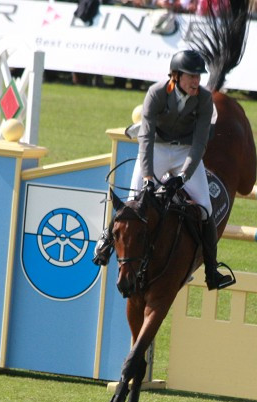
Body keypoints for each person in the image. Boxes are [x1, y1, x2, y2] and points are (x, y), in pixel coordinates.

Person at [93, 50, 234, 291]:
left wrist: (182, 177)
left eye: (199, 76)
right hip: (156, 148)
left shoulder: (203, 98)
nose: (196, 81)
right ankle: (106, 239)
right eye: (191, 76)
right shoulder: (156, 93)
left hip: (186, 153)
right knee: (131, 202)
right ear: (176, 76)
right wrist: (148, 177)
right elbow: (145, 138)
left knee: (205, 208)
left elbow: (200, 143)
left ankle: (211, 270)